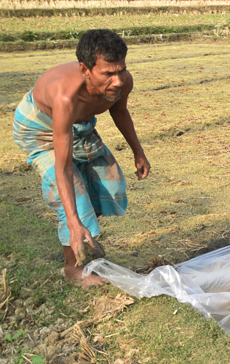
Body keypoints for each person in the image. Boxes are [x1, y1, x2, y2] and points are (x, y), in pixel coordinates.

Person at [12, 29, 151, 287]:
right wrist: (74, 221)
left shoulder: (123, 82)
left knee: (100, 182)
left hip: (78, 126)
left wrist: (138, 151)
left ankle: (84, 238)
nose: (118, 80)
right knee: (72, 192)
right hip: (39, 129)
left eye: (121, 70)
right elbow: (63, 168)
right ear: (85, 70)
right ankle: (73, 269)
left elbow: (120, 111)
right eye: (108, 74)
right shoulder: (66, 97)